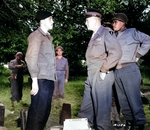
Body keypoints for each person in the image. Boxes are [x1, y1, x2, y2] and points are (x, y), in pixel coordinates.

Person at [78, 8, 122, 130]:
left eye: (87, 20)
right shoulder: (94, 35)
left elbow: (116, 52)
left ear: (95, 19)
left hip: (101, 74)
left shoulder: (106, 33)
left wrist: (104, 70)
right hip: (91, 74)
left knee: (101, 113)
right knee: (86, 110)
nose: (85, 23)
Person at [112, 13, 150, 130]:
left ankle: (140, 123)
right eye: (113, 22)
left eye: (115, 22)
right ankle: (129, 122)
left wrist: (139, 54)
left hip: (129, 70)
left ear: (122, 23)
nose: (113, 24)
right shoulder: (113, 36)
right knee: (122, 100)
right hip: (117, 72)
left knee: (133, 98)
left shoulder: (132, 32)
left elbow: (148, 39)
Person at [25, 10, 56, 130]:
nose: (52, 21)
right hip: (41, 80)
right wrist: (34, 81)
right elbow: (30, 57)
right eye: (50, 19)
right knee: (37, 114)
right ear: (43, 21)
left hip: (48, 80)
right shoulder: (36, 36)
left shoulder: (48, 38)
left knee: (44, 113)